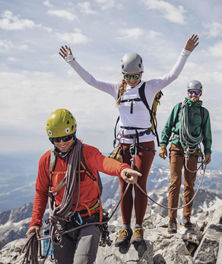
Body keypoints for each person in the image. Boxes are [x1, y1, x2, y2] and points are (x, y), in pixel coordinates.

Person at [58, 34, 199, 245]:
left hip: (144, 143)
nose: (132, 80)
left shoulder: (150, 87)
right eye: (128, 76)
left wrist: (185, 51)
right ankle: (125, 228)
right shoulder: (117, 89)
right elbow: (92, 80)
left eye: (135, 76)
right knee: (124, 184)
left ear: (141, 73)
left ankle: (139, 227)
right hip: (123, 143)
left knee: (139, 183)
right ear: (123, 74)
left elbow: (173, 75)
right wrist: (72, 61)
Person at [26, 108, 141, 264]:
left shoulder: (86, 153)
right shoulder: (47, 161)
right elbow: (41, 192)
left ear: (73, 133)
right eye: (56, 139)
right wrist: (35, 223)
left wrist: (122, 169)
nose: (61, 143)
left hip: (89, 220)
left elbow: (104, 162)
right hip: (62, 222)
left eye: (66, 138)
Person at [159, 80, 212, 233]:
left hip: (193, 150)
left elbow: (207, 133)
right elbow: (168, 127)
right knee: (175, 182)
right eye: (191, 92)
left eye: (196, 92)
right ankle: (171, 219)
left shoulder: (203, 112)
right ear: (187, 92)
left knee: (189, 183)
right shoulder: (179, 108)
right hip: (176, 146)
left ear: (200, 93)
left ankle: (186, 217)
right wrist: (163, 144)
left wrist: (208, 151)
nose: (193, 95)